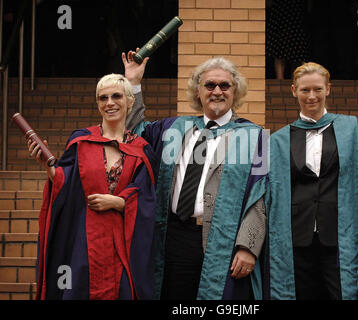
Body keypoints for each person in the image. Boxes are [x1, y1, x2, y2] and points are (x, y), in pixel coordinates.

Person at [123, 52, 268, 300]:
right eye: (209, 85)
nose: (217, 91)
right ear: (198, 92)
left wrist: (248, 246)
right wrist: (133, 83)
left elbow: (261, 196)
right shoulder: (172, 129)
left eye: (225, 85)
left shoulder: (255, 137)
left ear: (235, 92)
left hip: (225, 240)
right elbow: (134, 132)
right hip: (174, 235)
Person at [262, 62, 358, 299]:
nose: (311, 96)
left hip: (341, 240)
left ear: (328, 89)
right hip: (295, 241)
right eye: (305, 90)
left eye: (317, 89)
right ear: (293, 91)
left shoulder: (355, 129)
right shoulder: (278, 140)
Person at [29, 74, 157, 300]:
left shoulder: (141, 148)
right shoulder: (81, 140)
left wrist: (120, 202)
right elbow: (64, 182)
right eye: (103, 98)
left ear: (129, 101)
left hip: (122, 246)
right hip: (84, 241)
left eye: (116, 96)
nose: (109, 103)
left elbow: (146, 195)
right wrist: (47, 166)